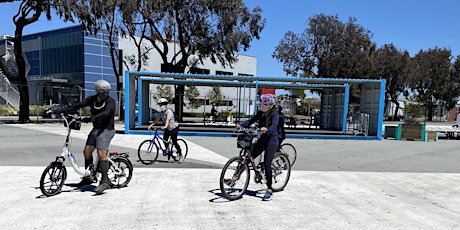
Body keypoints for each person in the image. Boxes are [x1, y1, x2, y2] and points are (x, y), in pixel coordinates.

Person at [64, 79, 116, 194]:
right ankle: (89, 177)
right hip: (96, 129)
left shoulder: (110, 101)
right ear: (97, 90)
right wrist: (65, 110)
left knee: (101, 152)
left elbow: (107, 113)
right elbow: (80, 105)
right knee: (87, 151)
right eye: (103, 92)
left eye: (107, 92)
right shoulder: (91, 99)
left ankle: (105, 181)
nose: (105, 94)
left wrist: (92, 118)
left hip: (107, 129)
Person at [235, 94, 279, 201]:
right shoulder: (261, 114)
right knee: (248, 159)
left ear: (269, 105)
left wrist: (266, 129)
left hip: (271, 141)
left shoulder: (275, 115)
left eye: (263, 105)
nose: (261, 106)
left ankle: (269, 189)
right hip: (262, 140)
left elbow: (273, 127)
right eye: (261, 105)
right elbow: (250, 121)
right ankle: (234, 178)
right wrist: (240, 125)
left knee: (267, 163)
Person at [148, 98, 183, 163]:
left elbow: (167, 120)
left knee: (174, 142)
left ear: (165, 105)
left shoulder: (169, 112)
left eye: (161, 105)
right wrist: (151, 125)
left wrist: (165, 126)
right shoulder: (161, 113)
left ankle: (180, 155)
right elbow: (157, 119)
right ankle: (168, 151)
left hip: (174, 128)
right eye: (159, 105)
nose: (160, 106)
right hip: (167, 129)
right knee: (164, 140)